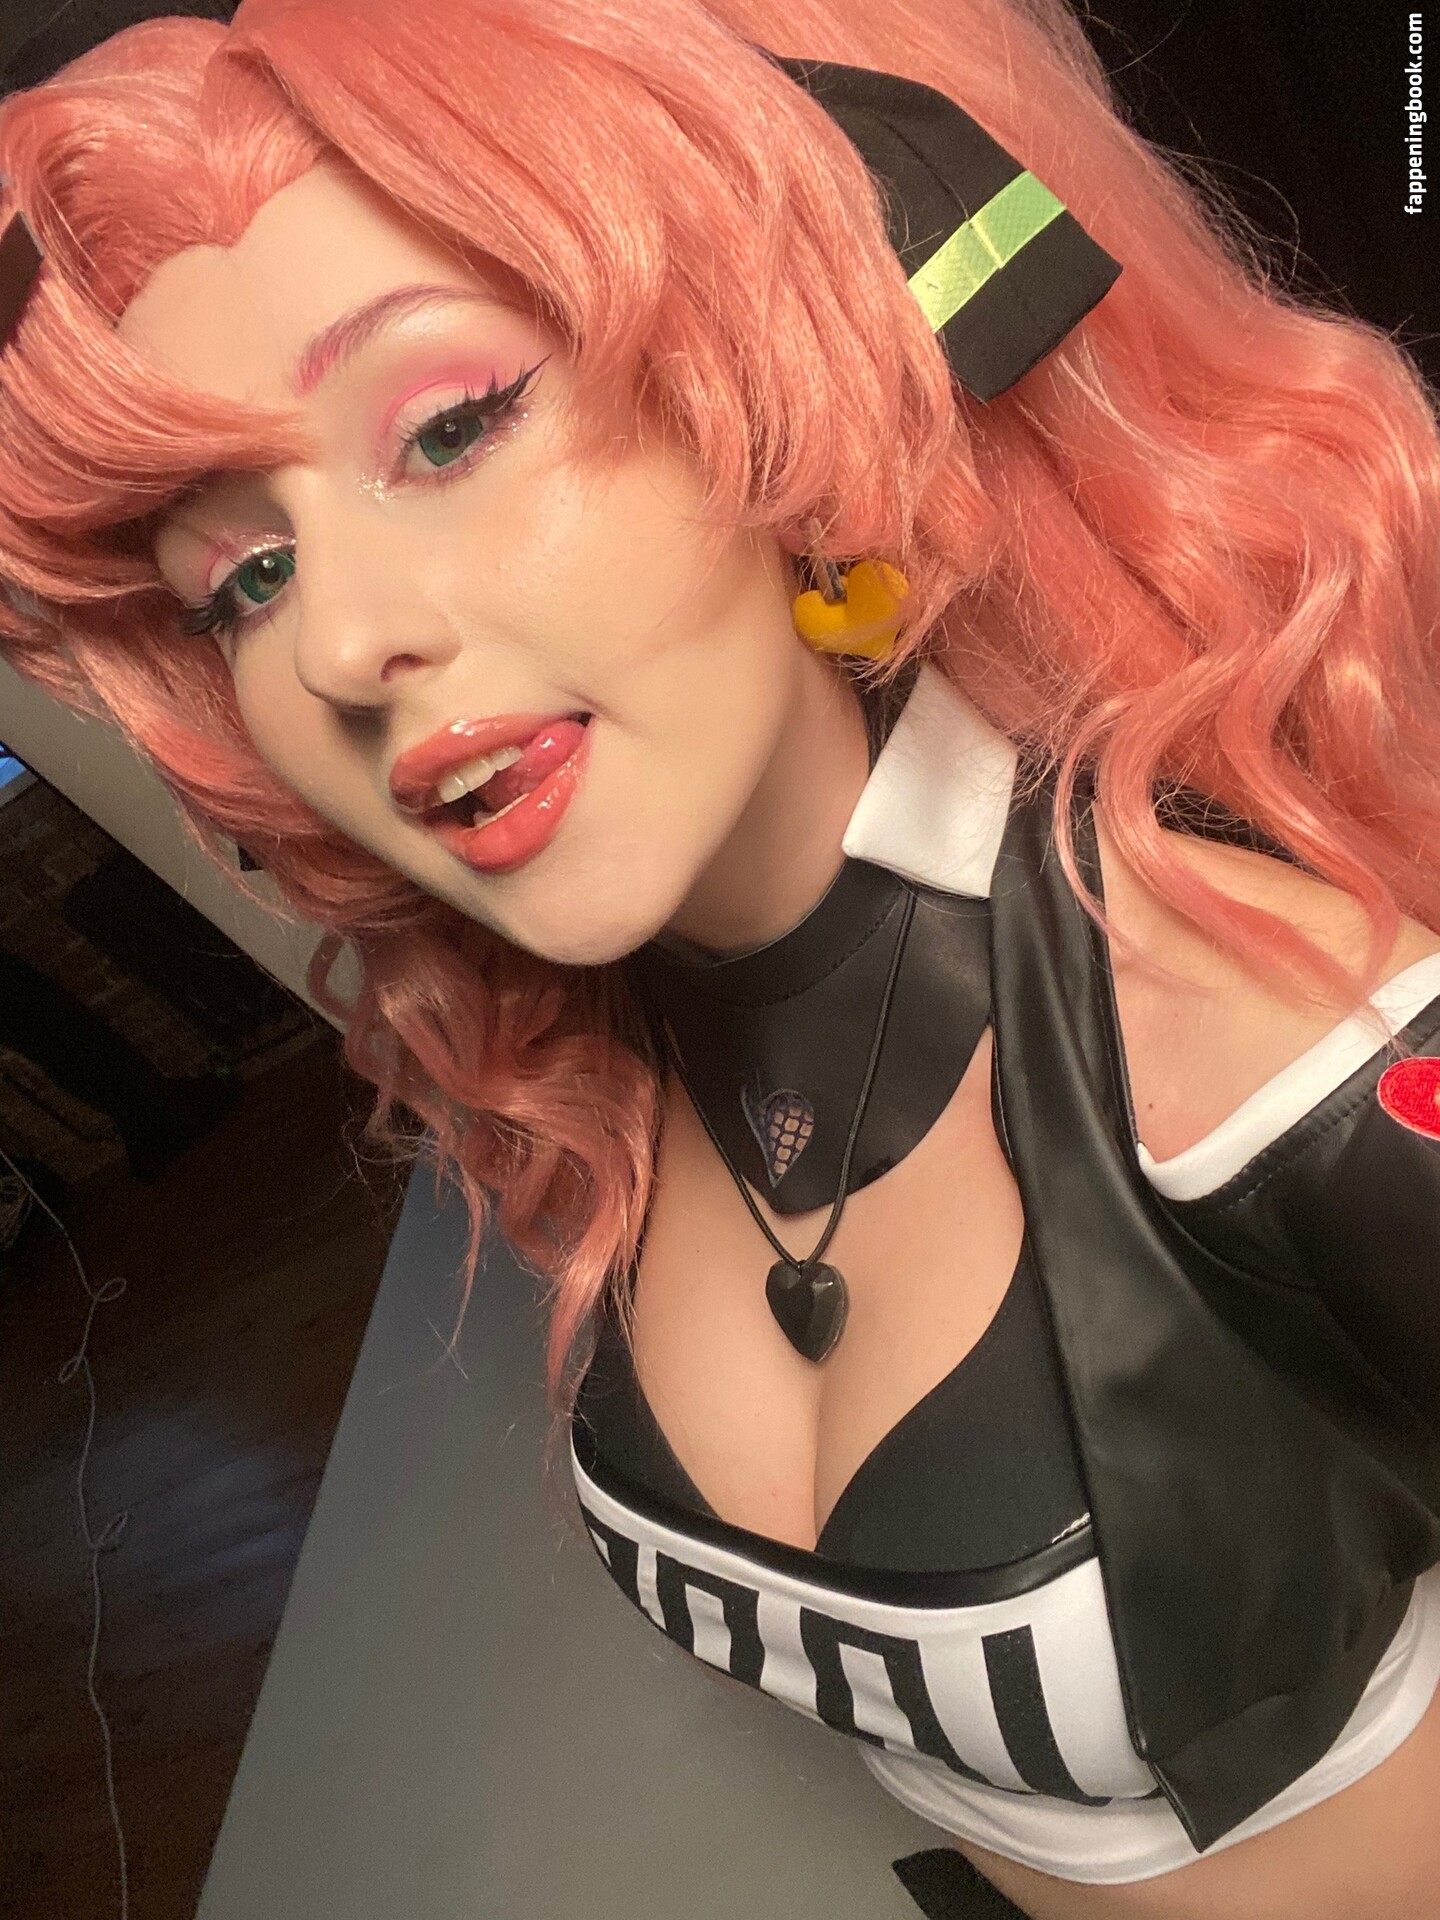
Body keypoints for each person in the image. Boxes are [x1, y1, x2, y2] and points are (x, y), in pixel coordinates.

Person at [0, 2, 1438, 1914]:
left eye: (450, 427)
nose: (337, 645)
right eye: (243, 580)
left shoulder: (1261, 1047)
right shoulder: (589, 1061)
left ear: (761, 379)